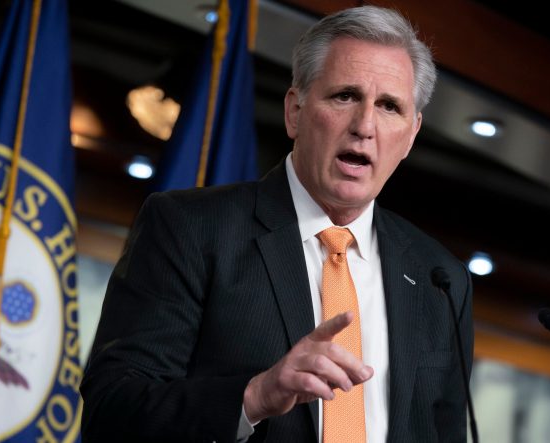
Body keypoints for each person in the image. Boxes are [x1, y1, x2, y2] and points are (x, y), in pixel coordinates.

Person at [80, 5, 473, 443]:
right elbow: (112, 409)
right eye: (345, 96)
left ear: (411, 134)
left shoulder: (441, 278)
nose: (365, 125)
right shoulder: (190, 227)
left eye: (389, 106)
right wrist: (256, 396)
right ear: (295, 111)